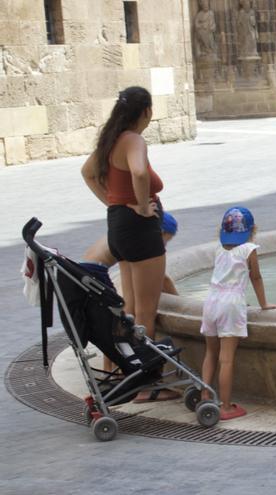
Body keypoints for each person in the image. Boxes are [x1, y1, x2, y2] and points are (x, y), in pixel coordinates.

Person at [81, 86, 175, 402]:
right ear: (146, 112)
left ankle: (127, 374)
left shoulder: (110, 139)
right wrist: (144, 206)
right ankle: (146, 386)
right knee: (146, 313)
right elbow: (138, 171)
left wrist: (114, 202)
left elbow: (88, 173)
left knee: (131, 310)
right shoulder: (133, 139)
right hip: (140, 230)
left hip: (118, 227)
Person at [199, 206, 276, 420]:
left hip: (211, 301)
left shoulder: (218, 248)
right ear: (252, 230)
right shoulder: (249, 249)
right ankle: (225, 406)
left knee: (210, 353)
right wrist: (264, 304)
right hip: (231, 304)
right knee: (227, 359)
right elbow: (256, 278)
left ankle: (205, 395)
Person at [83, 212, 180, 376]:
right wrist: (179, 301)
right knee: (134, 316)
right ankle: (142, 373)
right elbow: (162, 279)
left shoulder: (125, 232)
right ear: (161, 233)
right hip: (94, 275)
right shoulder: (145, 240)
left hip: (87, 273)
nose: (164, 246)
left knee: (121, 317)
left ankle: (112, 369)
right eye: (166, 241)